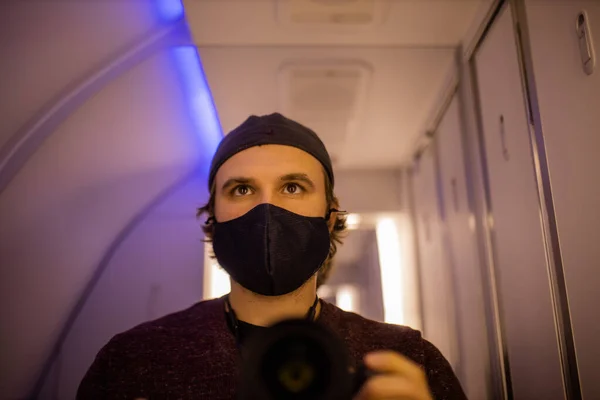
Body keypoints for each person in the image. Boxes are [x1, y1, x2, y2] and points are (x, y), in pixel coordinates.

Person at [77, 113, 467, 400]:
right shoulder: (134, 361)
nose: (268, 209)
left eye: (293, 188)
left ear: (330, 215)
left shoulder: (406, 357)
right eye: (242, 190)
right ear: (213, 216)